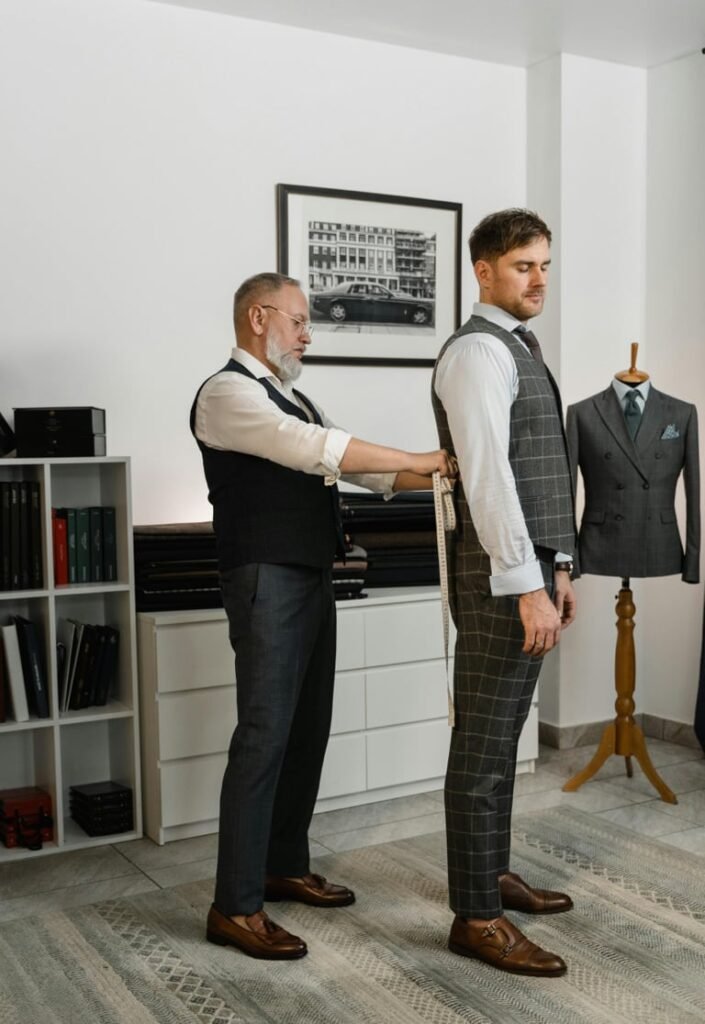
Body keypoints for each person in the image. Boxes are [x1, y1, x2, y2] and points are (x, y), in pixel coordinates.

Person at [191, 271, 452, 961]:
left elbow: (362, 470)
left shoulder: (297, 396)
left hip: (310, 574)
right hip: (264, 578)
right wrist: (420, 457)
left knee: (307, 728)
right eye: (299, 319)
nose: (308, 333)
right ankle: (234, 905)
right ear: (258, 317)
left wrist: (441, 471)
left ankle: (281, 866)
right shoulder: (226, 394)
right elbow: (315, 449)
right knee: (263, 736)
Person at [431, 209, 578, 977]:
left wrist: (559, 571)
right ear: (483, 271)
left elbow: (539, 468)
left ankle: (489, 875)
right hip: (497, 581)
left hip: (528, 572)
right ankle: (475, 917)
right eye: (524, 265)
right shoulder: (476, 353)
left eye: (544, 264)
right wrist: (525, 586)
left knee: (504, 738)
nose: (539, 279)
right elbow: (489, 481)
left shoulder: (518, 345)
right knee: (483, 751)